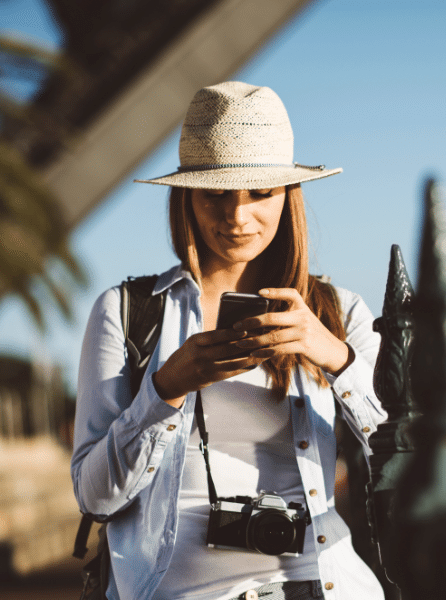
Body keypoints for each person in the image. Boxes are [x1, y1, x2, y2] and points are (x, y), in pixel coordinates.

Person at [71, 81, 387, 600]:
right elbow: (94, 497)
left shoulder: (338, 312)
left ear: (288, 195)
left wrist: (332, 354)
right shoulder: (128, 314)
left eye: (260, 193)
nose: (237, 217)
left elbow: (406, 456)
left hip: (321, 587)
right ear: (186, 196)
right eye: (216, 194)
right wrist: (164, 390)